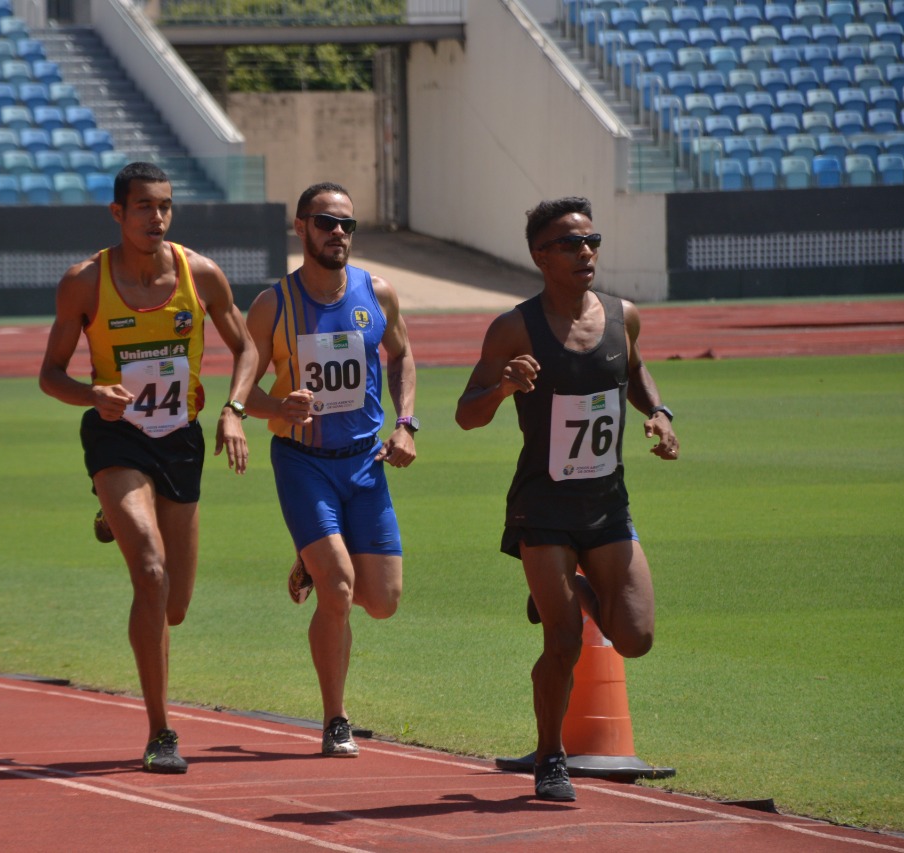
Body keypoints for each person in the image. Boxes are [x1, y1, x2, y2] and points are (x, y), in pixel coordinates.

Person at [454, 196, 679, 802]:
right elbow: (466, 414)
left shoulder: (621, 315)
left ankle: (570, 590)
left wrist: (658, 412)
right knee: (564, 641)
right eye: (570, 244)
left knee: (635, 639)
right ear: (539, 256)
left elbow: (634, 372)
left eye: (591, 241)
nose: (586, 252)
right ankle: (551, 756)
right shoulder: (514, 328)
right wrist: (503, 388)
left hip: (607, 504)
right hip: (544, 506)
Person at [38, 162, 257, 775]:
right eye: (143, 207)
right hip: (117, 437)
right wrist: (93, 395)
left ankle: (116, 517)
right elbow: (50, 374)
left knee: (176, 606)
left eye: (164, 206)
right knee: (152, 572)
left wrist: (235, 409)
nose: (156, 217)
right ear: (118, 213)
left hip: (180, 439)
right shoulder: (84, 282)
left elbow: (247, 347)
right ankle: (162, 730)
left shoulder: (201, 275)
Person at [242, 182, 417, 757]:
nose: (337, 232)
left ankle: (313, 556)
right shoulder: (275, 304)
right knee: (338, 591)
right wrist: (274, 406)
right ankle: (335, 719)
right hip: (303, 462)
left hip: (365, 464)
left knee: (383, 602)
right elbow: (244, 394)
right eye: (325, 222)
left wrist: (406, 423)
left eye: (346, 224)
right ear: (301, 228)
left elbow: (402, 353)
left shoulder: (377, 292)